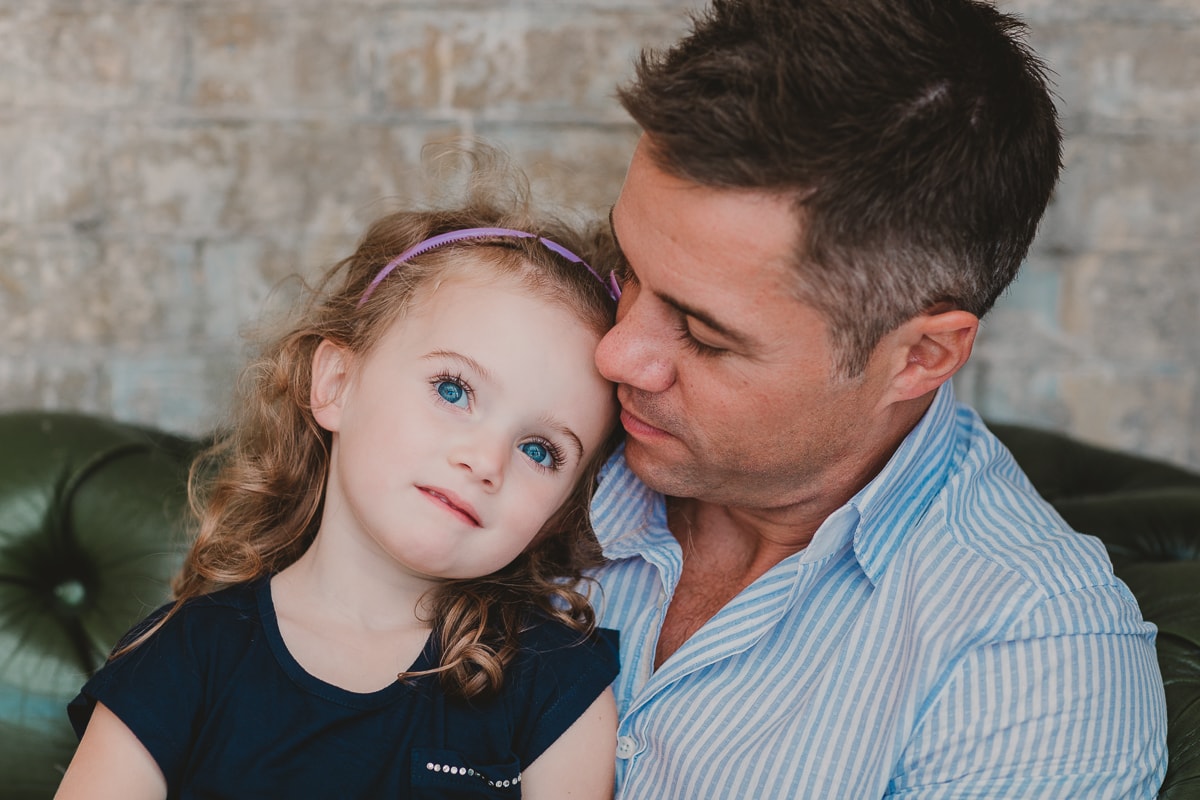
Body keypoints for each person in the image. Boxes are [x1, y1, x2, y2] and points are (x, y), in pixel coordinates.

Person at [587, 0, 1168, 797]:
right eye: (625, 268)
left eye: (704, 335)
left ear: (919, 357)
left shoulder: (1034, 663)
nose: (615, 351)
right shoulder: (509, 409)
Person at [55, 155, 624, 800]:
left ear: (563, 508)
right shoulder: (183, 656)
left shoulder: (558, 686)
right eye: (453, 389)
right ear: (336, 383)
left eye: (540, 450)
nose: (486, 461)